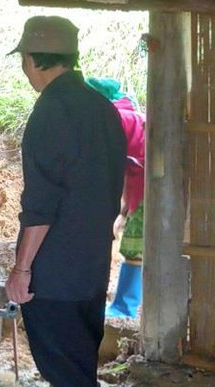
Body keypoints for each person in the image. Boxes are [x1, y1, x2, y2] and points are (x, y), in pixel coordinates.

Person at [5, 16, 126, 387]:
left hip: (55, 270)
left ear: (33, 61)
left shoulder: (49, 113)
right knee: (69, 358)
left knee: (73, 374)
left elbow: (40, 207)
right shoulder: (102, 107)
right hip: (92, 263)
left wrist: (21, 269)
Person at [86, 77, 146, 320]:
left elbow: (112, 168)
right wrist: (123, 209)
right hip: (139, 184)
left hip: (151, 186)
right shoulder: (118, 115)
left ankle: (125, 309)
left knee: (135, 247)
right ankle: (125, 305)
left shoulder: (114, 121)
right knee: (136, 246)